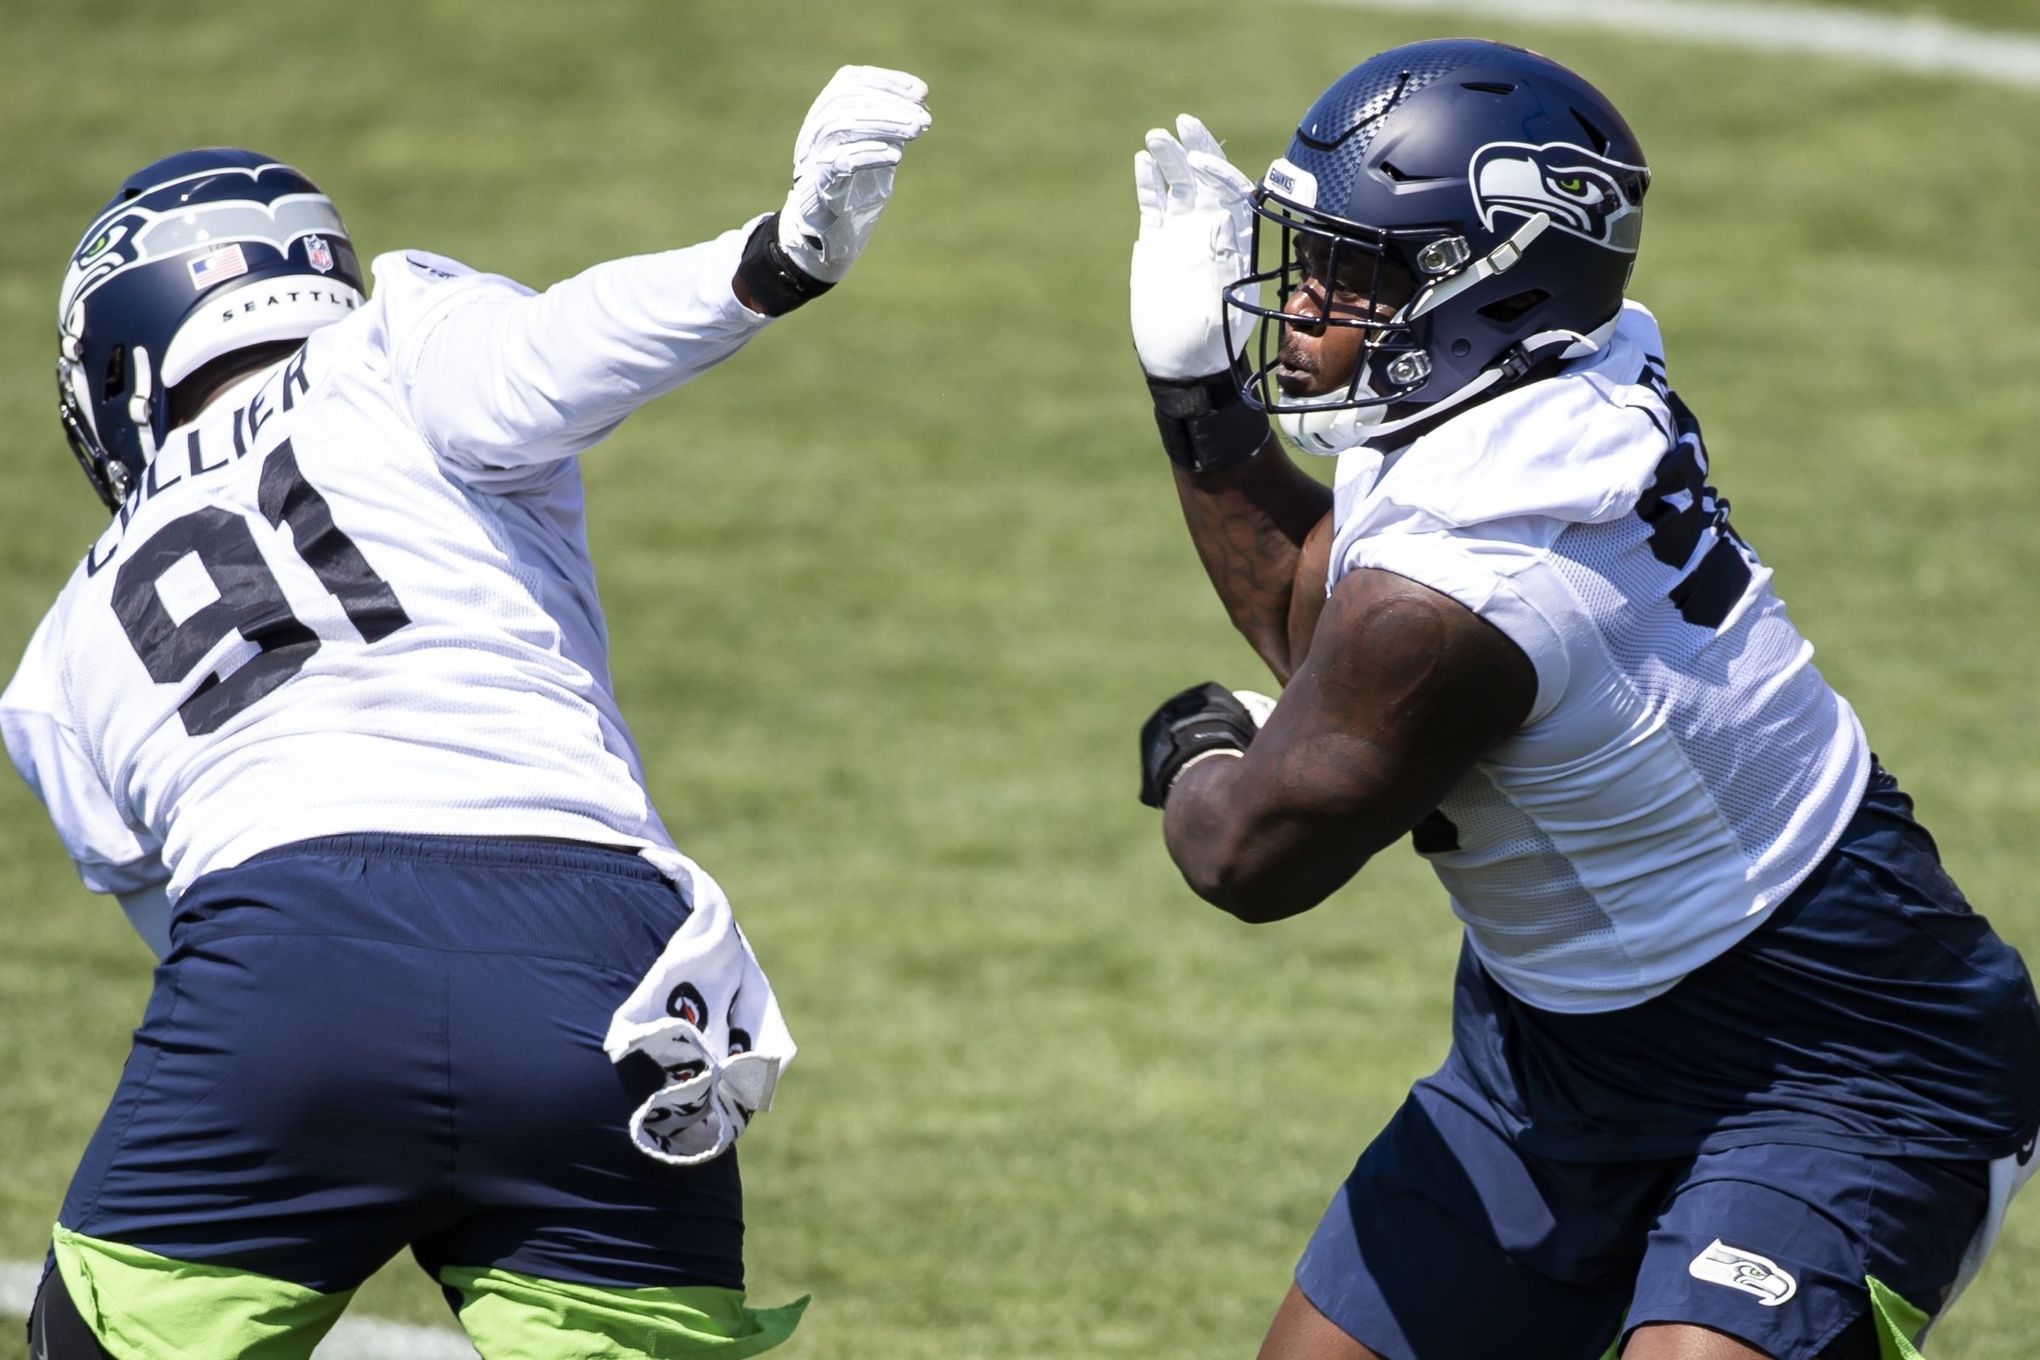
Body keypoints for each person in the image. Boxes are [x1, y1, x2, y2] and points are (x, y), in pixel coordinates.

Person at [1129, 37, 2040, 1360]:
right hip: (1552, 1046)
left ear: (1491, 284)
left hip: (1841, 1049)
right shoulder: (1544, 371)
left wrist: (1202, 747)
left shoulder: (1486, 565)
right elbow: (1333, 628)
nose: (1303, 303)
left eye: (1358, 271)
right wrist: (1194, 390)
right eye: (1311, 255)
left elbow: (1249, 853)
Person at [2, 64, 930, 1360]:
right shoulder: (395, 337)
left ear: (121, 365)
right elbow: (552, 356)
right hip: (604, 968)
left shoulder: (55, 657)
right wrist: (770, 261)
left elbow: (187, 935)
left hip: (291, 965)